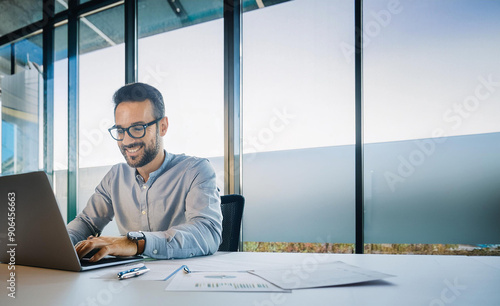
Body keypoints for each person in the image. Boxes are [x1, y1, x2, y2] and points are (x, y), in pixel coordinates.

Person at [67, 82, 222, 262]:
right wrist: (58, 245)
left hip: (181, 280)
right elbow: (86, 223)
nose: (127, 140)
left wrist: (137, 243)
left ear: (163, 126)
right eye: (120, 130)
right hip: (128, 281)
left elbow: (208, 232)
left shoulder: (195, 171)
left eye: (138, 128)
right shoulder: (115, 177)